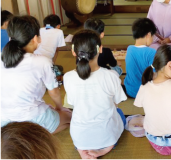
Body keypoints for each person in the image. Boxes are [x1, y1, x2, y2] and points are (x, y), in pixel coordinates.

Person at [0, 16, 71, 134]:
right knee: (69, 117)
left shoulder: (1, 56)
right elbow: (54, 92)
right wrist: (59, 108)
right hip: (33, 118)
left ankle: (16, 135)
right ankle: (32, 135)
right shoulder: (42, 62)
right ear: (35, 39)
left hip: (3, 120)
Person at [64, 30, 127, 160]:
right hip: (107, 136)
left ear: (73, 52)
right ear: (100, 49)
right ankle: (104, 149)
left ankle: (83, 150)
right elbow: (117, 102)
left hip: (79, 137)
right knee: (120, 113)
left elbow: (72, 103)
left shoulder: (68, 77)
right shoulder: (111, 76)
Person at [124, 18, 157, 98]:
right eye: (153, 36)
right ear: (148, 35)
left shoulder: (129, 49)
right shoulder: (151, 52)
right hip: (145, 93)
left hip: (130, 91)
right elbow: (155, 75)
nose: (153, 40)